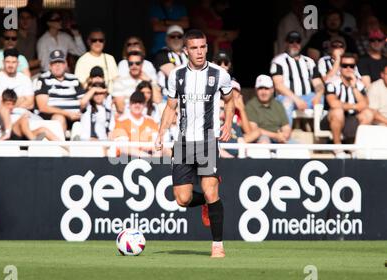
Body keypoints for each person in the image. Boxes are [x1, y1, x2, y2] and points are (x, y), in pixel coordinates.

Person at [155, 29, 234, 259]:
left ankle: (217, 246)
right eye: (194, 48)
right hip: (182, 143)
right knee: (182, 199)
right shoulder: (177, 76)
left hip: (208, 141)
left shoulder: (220, 74)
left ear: (207, 47)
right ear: (186, 50)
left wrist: (227, 124)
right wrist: (160, 134)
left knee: (211, 191)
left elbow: (230, 101)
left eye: (203, 47)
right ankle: (205, 204)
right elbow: (170, 107)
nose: (199, 52)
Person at [323, 53, 374, 156]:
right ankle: (337, 148)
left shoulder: (359, 84)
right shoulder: (332, 82)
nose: (348, 68)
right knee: (338, 111)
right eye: (345, 65)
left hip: (351, 119)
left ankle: (355, 147)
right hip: (331, 120)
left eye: (351, 66)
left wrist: (354, 87)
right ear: (340, 67)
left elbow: (365, 104)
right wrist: (355, 106)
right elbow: (333, 103)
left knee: (368, 113)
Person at [271, 31, 324, 125]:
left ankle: (318, 133)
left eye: (297, 41)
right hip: (286, 97)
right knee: (286, 102)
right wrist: (296, 99)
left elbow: (318, 83)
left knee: (321, 99)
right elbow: (278, 85)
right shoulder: (278, 61)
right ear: (286, 43)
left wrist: (318, 95)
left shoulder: (309, 62)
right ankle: (286, 134)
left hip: (307, 97)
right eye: (291, 41)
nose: (295, 44)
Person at [35, 50, 90, 133]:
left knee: (86, 118)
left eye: (60, 62)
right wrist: (67, 113)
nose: (57, 65)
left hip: (75, 117)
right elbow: (42, 107)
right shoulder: (43, 79)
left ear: (65, 64)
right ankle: (60, 146)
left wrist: (93, 90)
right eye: (54, 63)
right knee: (59, 118)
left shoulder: (74, 79)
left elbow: (82, 103)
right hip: (52, 117)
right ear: (50, 66)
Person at [246, 75, 292, 144]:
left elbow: (286, 127)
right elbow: (254, 130)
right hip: (261, 137)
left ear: (272, 90)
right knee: (264, 143)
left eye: (266, 88)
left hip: (279, 138)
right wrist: (276, 136)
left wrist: (284, 135)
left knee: (300, 149)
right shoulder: (250, 105)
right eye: (260, 88)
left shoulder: (278, 104)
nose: (263, 92)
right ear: (256, 90)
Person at [113, 91, 159, 157]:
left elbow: (157, 145)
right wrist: (145, 155)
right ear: (129, 104)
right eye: (134, 102)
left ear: (144, 104)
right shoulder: (121, 121)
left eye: (140, 102)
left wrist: (156, 155)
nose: (137, 105)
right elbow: (123, 148)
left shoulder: (151, 121)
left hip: (151, 159)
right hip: (126, 161)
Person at [153, 25, 188, 97]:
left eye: (179, 36)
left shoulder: (189, 53)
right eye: (172, 36)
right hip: (167, 97)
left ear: (183, 39)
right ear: (167, 39)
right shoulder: (162, 54)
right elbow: (174, 74)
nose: (176, 39)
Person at [17, 7, 40, 75]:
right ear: (17, 19)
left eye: (28, 18)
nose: (25, 20)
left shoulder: (34, 38)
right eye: (22, 18)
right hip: (17, 73)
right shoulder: (12, 37)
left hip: (32, 73)